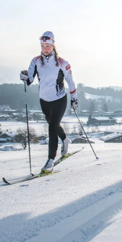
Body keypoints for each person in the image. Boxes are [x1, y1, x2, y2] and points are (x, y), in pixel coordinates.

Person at [20, 31, 79, 173]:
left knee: (52, 128)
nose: (45, 48)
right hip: (44, 100)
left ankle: (50, 161)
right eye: (43, 45)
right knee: (54, 125)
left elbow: (70, 81)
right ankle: (65, 140)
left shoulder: (62, 63)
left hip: (59, 99)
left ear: (53, 45)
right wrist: (24, 76)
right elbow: (29, 80)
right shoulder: (35, 61)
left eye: (48, 45)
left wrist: (74, 98)